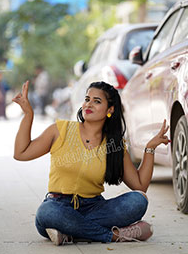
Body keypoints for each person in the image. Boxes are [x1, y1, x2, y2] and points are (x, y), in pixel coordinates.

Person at [13, 80, 170, 246]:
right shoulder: (60, 129)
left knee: (138, 201)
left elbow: (140, 186)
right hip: (58, 205)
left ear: (110, 110)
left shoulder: (114, 145)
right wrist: (28, 115)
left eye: (97, 101)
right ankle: (114, 236)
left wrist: (150, 148)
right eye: (87, 99)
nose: (89, 104)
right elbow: (21, 153)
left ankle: (71, 233)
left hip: (94, 207)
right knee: (47, 213)